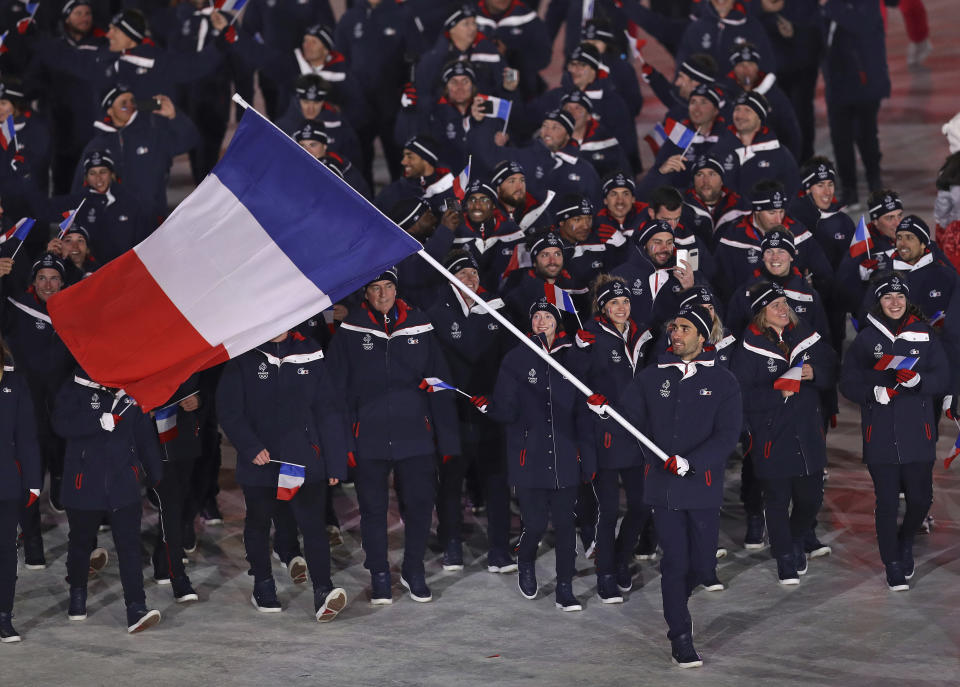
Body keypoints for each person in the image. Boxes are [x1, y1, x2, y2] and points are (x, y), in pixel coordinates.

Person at [326, 269, 461, 604]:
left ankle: (413, 570)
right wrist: (342, 444)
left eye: (388, 287)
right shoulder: (351, 330)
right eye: (375, 288)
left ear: (397, 290)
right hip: (368, 438)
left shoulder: (420, 325)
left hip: (416, 436)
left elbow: (441, 384)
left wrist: (447, 440)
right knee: (372, 511)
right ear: (366, 294)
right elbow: (334, 394)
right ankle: (380, 574)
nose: (383, 294)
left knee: (418, 507)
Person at [618, 303, 742, 667]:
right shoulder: (652, 376)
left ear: (702, 337)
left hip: (702, 485)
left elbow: (727, 435)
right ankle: (680, 635)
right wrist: (603, 412)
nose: (675, 333)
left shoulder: (723, 381)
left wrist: (693, 461)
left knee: (702, 564)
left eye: (684, 328)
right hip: (664, 488)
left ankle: (678, 596)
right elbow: (629, 419)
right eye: (673, 328)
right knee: (675, 562)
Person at [472, 297, 596, 611]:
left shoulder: (572, 357)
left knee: (567, 525)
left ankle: (565, 588)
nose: (541, 322)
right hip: (530, 455)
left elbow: (586, 408)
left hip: (567, 454)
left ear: (558, 322)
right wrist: (490, 406)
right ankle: (525, 561)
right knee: (537, 523)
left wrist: (588, 455)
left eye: (547, 317)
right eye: (536, 317)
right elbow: (506, 411)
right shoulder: (516, 359)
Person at [217, 328, 349, 621]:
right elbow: (229, 410)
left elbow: (328, 410)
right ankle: (263, 585)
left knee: (314, 526)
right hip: (261, 462)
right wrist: (250, 446)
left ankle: (323, 591)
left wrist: (335, 462)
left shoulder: (310, 350)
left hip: (304, 461)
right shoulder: (243, 353)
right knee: (259, 524)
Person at [839, 274, 949, 590]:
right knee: (886, 502)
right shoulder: (866, 339)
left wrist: (920, 383)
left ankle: (904, 542)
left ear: (907, 300)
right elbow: (848, 382)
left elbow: (942, 376)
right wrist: (874, 391)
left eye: (900, 297)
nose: (895, 303)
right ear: (880, 301)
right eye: (888, 298)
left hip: (919, 434)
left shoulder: (925, 334)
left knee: (921, 499)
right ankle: (893, 562)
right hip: (881, 435)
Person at [731, 281, 836, 584]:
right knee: (776, 501)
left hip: (808, 433)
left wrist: (814, 373)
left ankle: (794, 539)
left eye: (784, 304)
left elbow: (831, 365)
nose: (783, 309)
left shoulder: (805, 335)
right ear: (762, 314)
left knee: (811, 499)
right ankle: (785, 557)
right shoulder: (747, 349)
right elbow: (741, 398)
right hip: (771, 438)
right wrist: (779, 392)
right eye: (775, 305)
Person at [51, 368, 165, 633]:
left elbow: (144, 435)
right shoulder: (74, 387)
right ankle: (77, 598)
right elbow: (60, 423)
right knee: (80, 543)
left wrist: (157, 475)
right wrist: (95, 421)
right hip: (83, 484)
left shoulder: (131, 392)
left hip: (123, 485)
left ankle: (136, 607)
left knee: (129, 547)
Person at [426, 250, 514, 573]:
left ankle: (500, 550)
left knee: (496, 482)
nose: (471, 279)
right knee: (451, 482)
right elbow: (460, 353)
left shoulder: (498, 309)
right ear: (450, 279)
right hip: (454, 414)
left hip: (491, 412)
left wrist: (500, 399)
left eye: (474, 275)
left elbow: (509, 359)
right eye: (463, 275)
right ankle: (451, 544)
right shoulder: (438, 312)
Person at [580, 276, 654, 603]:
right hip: (606, 435)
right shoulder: (591, 337)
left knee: (640, 504)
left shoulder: (644, 335)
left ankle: (622, 559)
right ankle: (605, 573)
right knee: (608, 510)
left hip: (639, 436)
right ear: (603, 307)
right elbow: (576, 380)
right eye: (614, 303)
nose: (621, 308)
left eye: (625, 302)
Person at [0, 334, 42, 643]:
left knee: (4, 553)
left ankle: (3, 616)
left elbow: (27, 436)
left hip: (6, 482)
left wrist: (33, 482)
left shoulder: (15, 383)